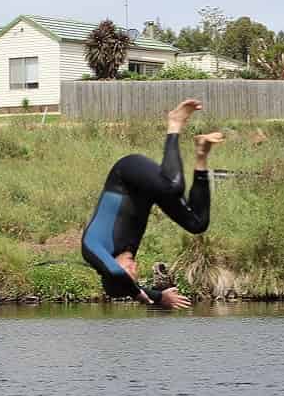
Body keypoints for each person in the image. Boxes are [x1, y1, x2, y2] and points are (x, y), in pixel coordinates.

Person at [81, 98, 223, 308]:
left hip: (126, 175)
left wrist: (146, 296)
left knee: (173, 186)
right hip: (150, 192)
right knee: (196, 224)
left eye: (127, 274)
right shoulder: (124, 258)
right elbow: (119, 279)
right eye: (135, 276)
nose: (133, 270)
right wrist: (156, 297)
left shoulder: (93, 247)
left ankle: (174, 123)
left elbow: (114, 273)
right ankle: (202, 153)